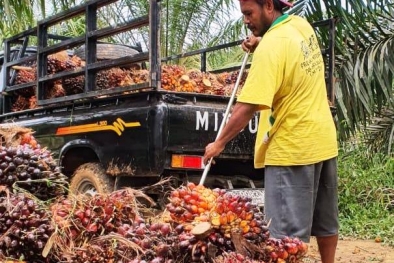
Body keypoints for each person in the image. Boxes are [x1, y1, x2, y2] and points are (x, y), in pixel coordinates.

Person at [202, 0, 339, 262]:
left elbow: (247, 106)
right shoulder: (300, 26)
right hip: (323, 141)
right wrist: (260, 42)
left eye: (248, 13)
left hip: (291, 150)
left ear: (267, 6)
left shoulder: (272, 46)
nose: (245, 21)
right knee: (326, 224)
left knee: (284, 238)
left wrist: (219, 143)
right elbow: (286, 53)